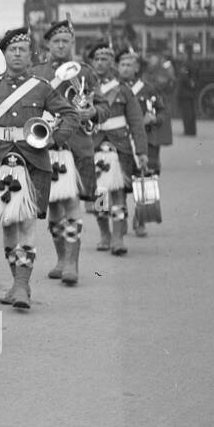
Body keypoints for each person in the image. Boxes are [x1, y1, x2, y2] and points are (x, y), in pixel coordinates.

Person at [0, 28, 80, 307]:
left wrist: (53, 139)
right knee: (8, 226)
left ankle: (23, 286)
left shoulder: (41, 86)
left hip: (33, 163)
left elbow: (70, 114)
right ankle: (16, 283)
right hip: (0, 164)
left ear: (30, 55)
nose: (16, 54)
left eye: (22, 49)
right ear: (4, 54)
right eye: (12, 49)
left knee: (26, 223)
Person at [31, 17, 99, 285]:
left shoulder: (85, 72)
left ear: (73, 43)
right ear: (48, 44)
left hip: (75, 145)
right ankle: (61, 259)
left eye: (66, 41)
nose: (61, 46)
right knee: (54, 206)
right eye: (56, 41)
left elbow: (102, 104)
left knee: (71, 204)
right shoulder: (38, 72)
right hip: (47, 145)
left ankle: (72, 263)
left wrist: (94, 110)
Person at [87, 41, 148, 253]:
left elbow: (137, 123)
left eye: (105, 59)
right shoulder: (85, 90)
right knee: (100, 195)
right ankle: (105, 234)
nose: (101, 63)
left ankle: (118, 238)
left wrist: (141, 151)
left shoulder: (123, 91)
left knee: (119, 194)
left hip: (120, 148)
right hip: (94, 148)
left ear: (112, 62)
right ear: (91, 63)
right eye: (97, 59)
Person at [123, 52, 168, 236]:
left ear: (136, 68)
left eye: (130, 65)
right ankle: (112, 222)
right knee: (110, 184)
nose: (125, 68)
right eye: (122, 64)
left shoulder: (148, 89)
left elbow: (162, 113)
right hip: (120, 141)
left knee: (144, 180)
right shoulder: (110, 89)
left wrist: (155, 118)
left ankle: (141, 219)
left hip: (145, 141)